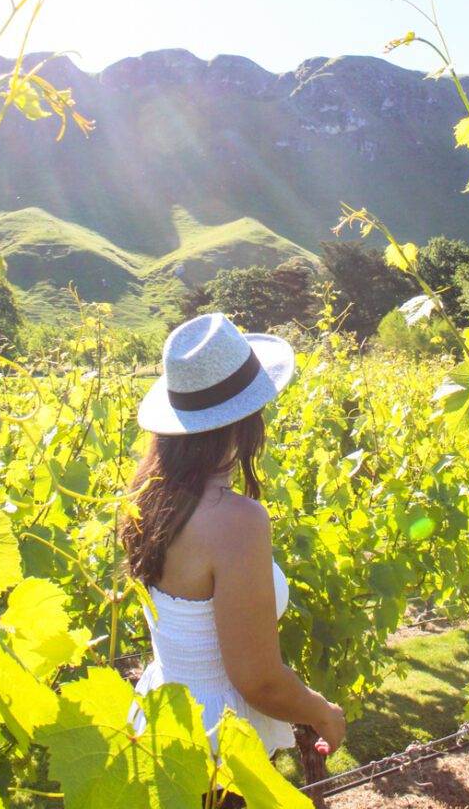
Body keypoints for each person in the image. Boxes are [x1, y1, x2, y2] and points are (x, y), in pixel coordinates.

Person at [121, 312, 346, 807]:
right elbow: (258, 679)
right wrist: (323, 711)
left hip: (160, 723)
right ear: (245, 421)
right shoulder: (236, 520)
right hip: (219, 749)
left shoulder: (147, 498)